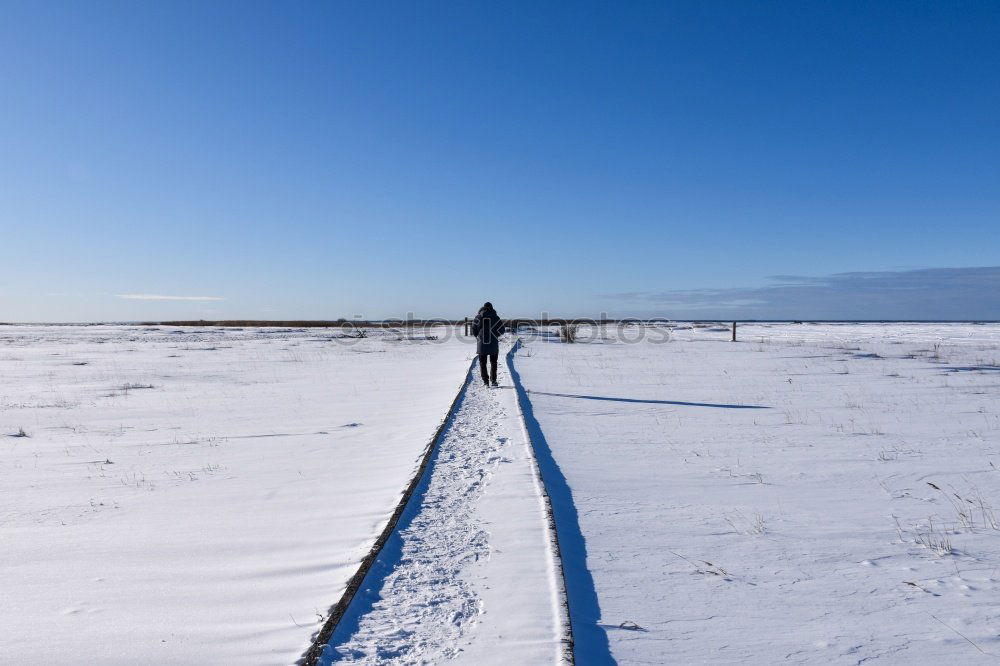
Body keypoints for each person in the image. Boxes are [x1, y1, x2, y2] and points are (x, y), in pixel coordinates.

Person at [471, 302, 505, 387]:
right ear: (492, 308)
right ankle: (493, 381)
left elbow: (473, 330)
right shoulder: (496, 318)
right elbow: (502, 330)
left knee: (482, 363)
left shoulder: (478, 317)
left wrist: (479, 337)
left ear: (483, 308)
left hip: (482, 343)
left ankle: (485, 382)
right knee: (494, 362)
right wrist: (495, 335)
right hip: (493, 343)